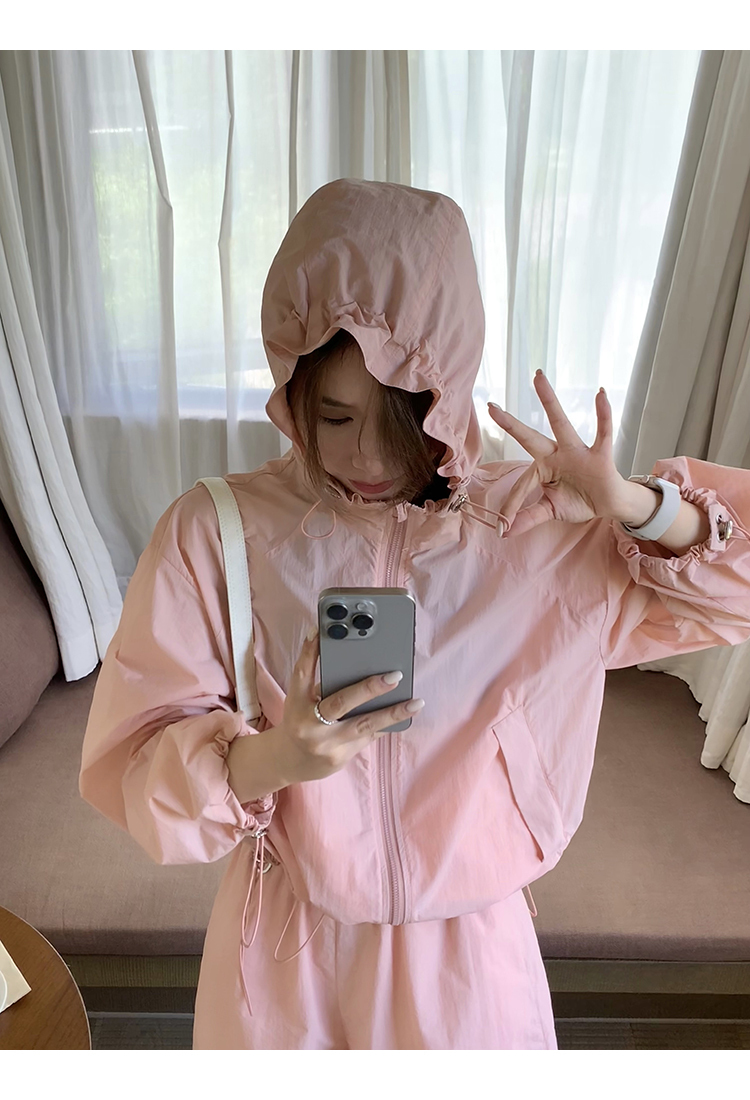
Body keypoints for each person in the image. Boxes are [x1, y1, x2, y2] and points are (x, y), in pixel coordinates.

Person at [79, 178, 750, 1050]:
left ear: (451, 391)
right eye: (333, 415)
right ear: (291, 388)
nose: (365, 454)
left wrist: (635, 506)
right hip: (284, 959)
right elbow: (134, 764)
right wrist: (273, 759)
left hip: (473, 961)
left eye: (404, 419)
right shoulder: (217, 530)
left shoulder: (539, 524)